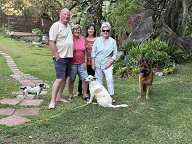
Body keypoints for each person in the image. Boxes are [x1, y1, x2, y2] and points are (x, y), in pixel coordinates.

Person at [48, 8, 73, 109]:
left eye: (68, 15)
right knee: (59, 79)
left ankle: (59, 97)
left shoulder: (68, 27)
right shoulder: (56, 26)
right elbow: (51, 41)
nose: (67, 16)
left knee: (64, 78)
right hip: (61, 57)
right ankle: (52, 101)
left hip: (68, 57)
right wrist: (56, 55)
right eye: (65, 14)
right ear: (60, 15)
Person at [91, 21, 117, 103]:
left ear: (109, 31)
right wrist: (93, 63)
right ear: (101, 31)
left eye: (107, 30)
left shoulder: (113, 41)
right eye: (104, 30)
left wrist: (109, 63)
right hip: (98, 63)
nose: (105, 32)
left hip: (107, 64)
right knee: (99, 81)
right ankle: (101, 96)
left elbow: (115, 54)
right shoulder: (97, 40)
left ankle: (111, 96)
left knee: (110, 79)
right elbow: (93, 52)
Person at [68, 24, 89, 101]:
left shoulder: (83, 39)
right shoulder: (70, 39)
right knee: (72, 79)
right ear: (73, 31)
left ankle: (85, 94)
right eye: (76, 30)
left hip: (82, 63)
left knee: (84, 79)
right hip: (72, 63)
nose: (77, 31)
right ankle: (70, 95)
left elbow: (86, 52)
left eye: (79, 30)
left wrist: (86, 62)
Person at [75, 23, 97, 96]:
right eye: (89, 29)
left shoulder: (97, 39)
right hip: (84, 60)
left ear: (94, 30)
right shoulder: (83, 39)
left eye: (92, 29)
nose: (90, 30)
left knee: (91, 76)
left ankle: (88, 91)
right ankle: (79, 91)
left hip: (94, 61)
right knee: (83, 76)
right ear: (87, 30)